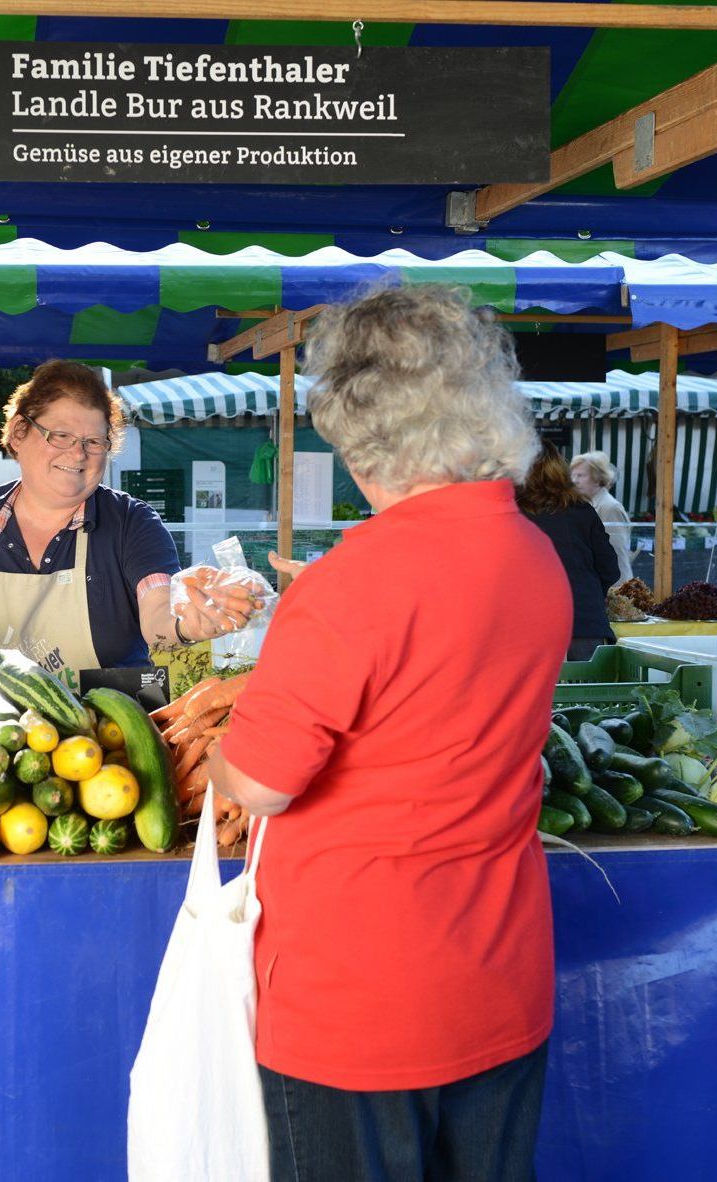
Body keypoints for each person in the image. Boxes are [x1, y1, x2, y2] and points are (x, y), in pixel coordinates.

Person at [206, 286, 570, 1182]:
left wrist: (219, 744)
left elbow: (258, 783)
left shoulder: (350, 583)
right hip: (497, 981)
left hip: (358, 1006)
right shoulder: (535, 555)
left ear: (361, 432)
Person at [0, 361, 253, 679]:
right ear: (18, 433)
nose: (77, 453)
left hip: (105, 739)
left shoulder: (131, 524)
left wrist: (185, 624)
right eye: (60, 435)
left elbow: (159, 613)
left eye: (94, 441)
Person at [518, 442, 620, 662]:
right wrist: (586, 594)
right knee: (587, 694)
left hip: (529, 629)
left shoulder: (513, 515)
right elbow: (610, 568)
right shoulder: (581, 511)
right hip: (585, 623)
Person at [570, 450, 634, 589]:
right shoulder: (588, 505)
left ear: (597, 478)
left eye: (580, 475)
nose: (574, 480)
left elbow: (618, 556)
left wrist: (617, 592)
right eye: (573, 475)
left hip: (616, 589)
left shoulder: (610, 507)